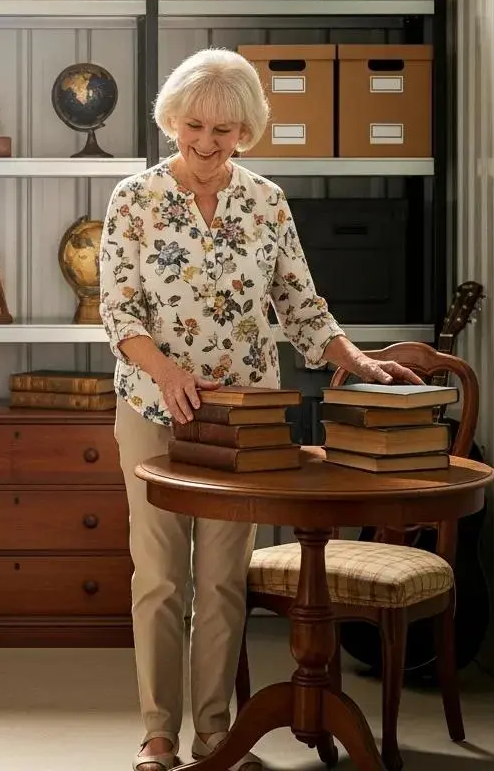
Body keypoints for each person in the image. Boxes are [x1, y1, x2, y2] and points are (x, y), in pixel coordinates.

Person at [98, 47, 423, 771]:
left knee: (219, 580)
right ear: (172, 119)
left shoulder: (267, 202)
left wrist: (359, 362)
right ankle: (157, 733)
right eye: (195, 126)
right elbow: (119, 311)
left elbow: (302, 307)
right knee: (158, 576)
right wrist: (166, 369)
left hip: (246, 421)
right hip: (153, 408)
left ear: (247, 131)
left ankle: (215, 733)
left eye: (226, 130)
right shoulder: (135, 199)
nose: (208, 143)